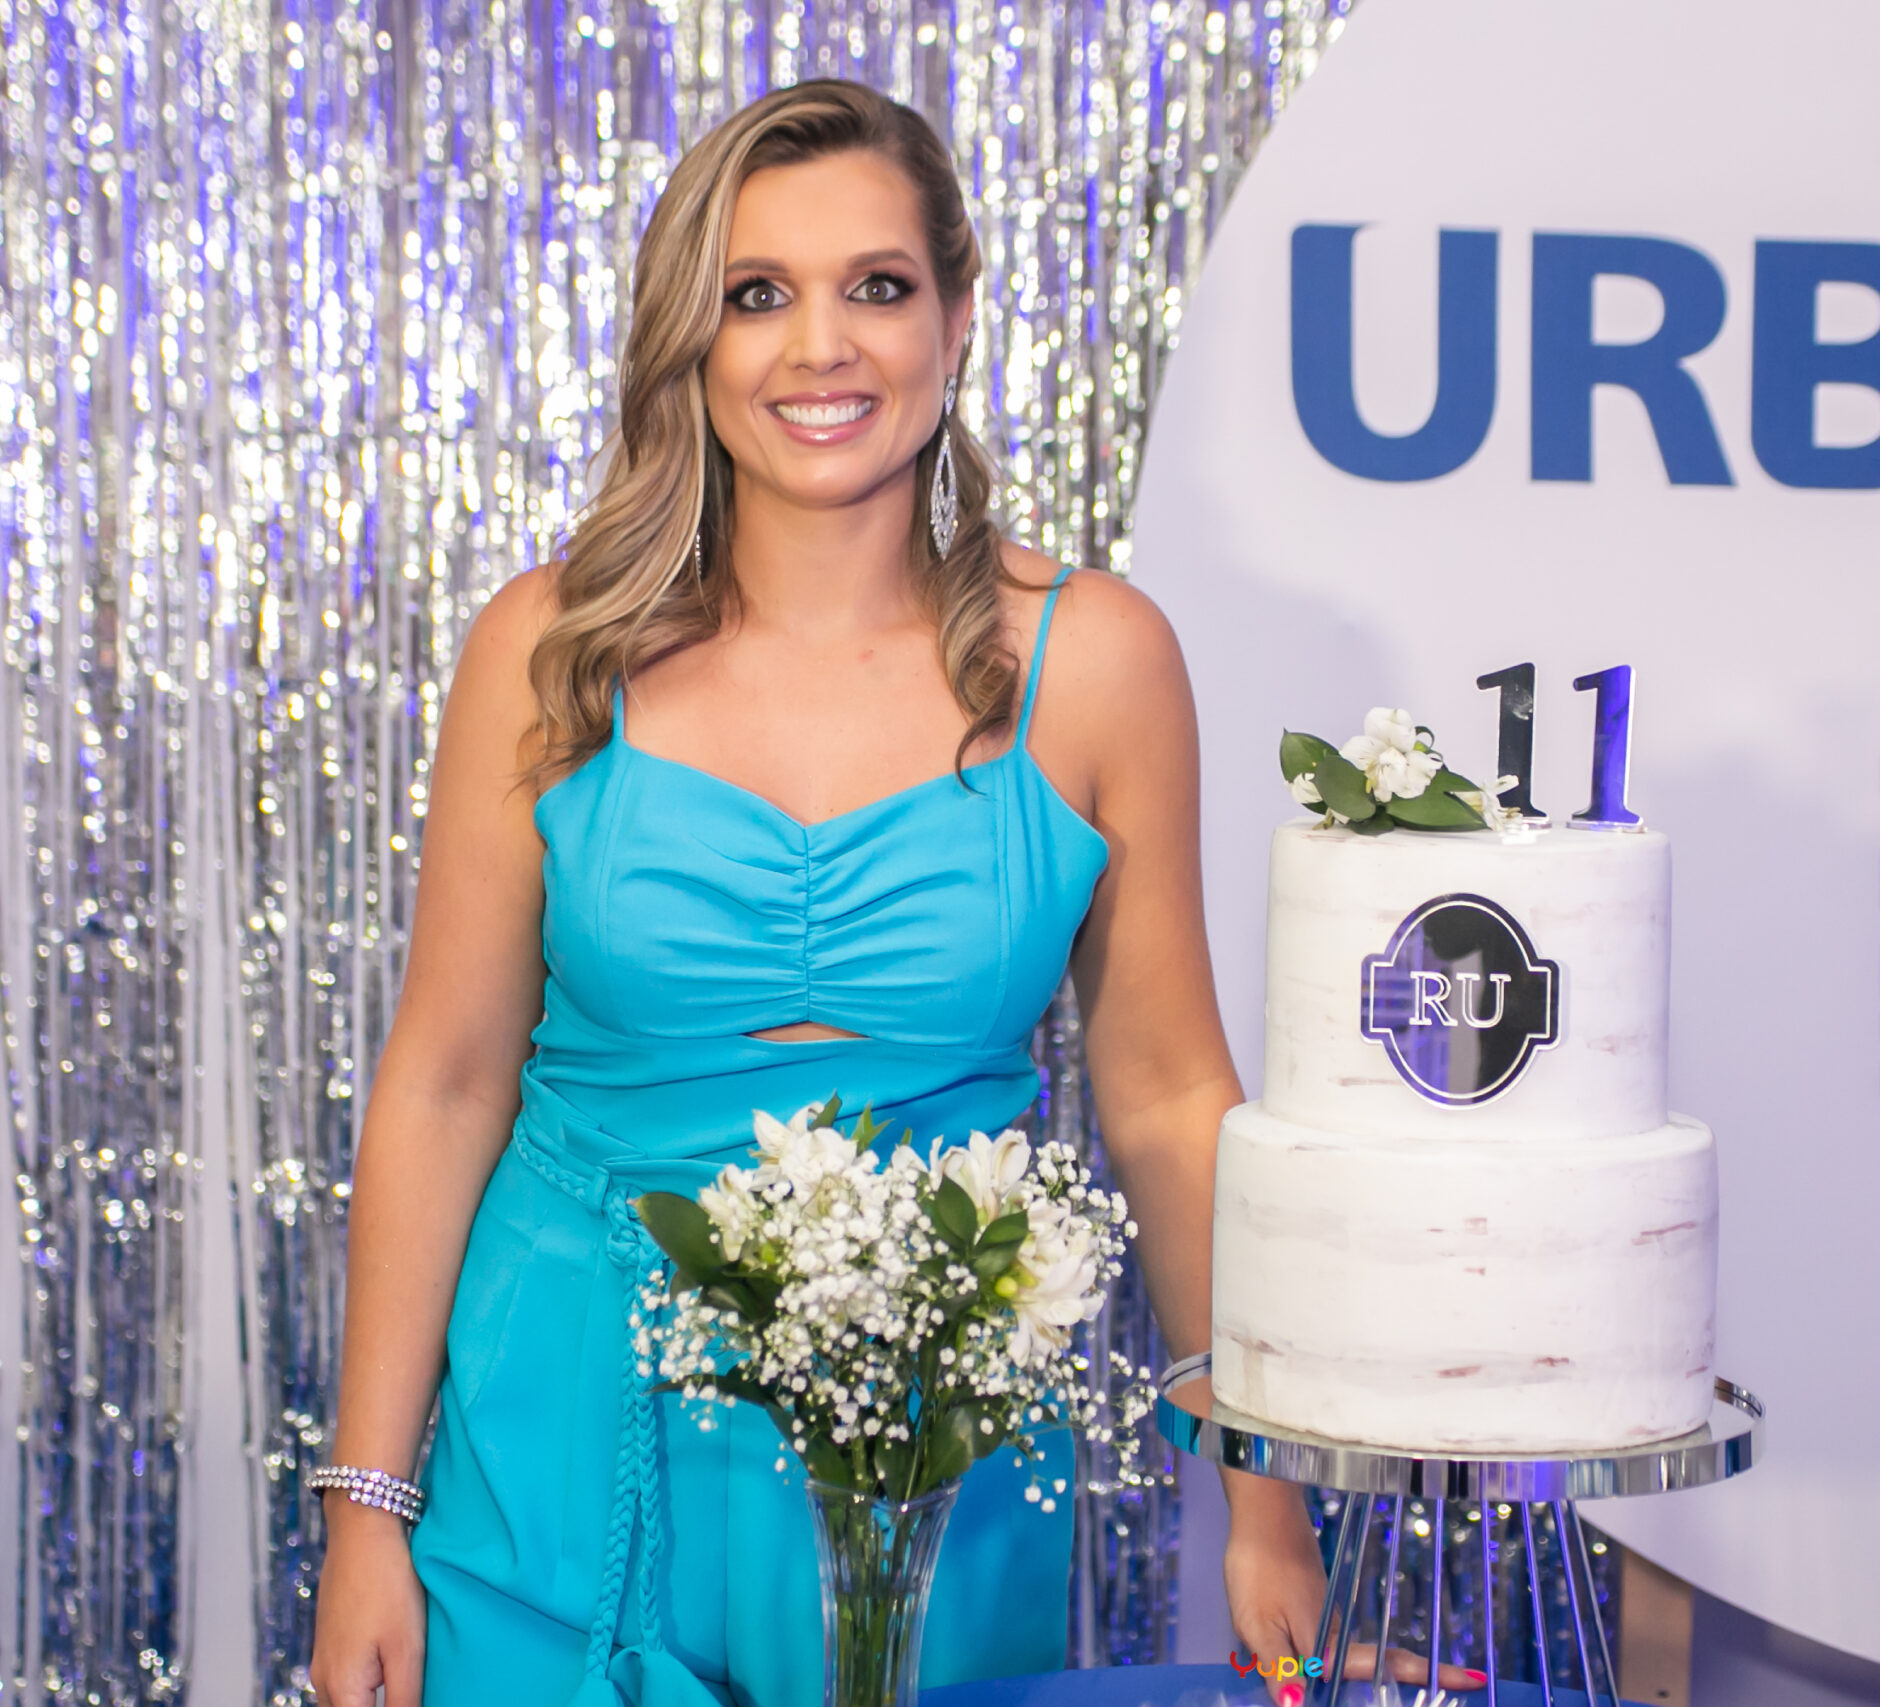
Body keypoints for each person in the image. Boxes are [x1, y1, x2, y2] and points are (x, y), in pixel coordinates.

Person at [306, 80, 1465, 1707]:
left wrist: (1264, 1505)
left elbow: (1168, 1098)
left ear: (955, 318)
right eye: (756, 294)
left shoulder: (1098, 664)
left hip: (931, 1461)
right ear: (692, 339)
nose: (820, 346)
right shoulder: (547, 650)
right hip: (557, 1432)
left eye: (876, 285)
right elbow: (441, 1084)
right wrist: (365, 1510)